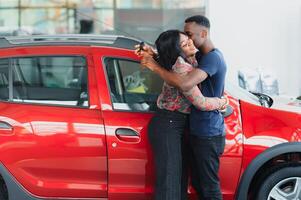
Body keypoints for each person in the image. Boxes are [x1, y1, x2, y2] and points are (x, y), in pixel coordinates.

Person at [137, 15, 227, 200]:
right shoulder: (182, 68)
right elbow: (200, 101)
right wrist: (222, 102)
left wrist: (152, 54)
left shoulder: (197, 58)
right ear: (178, 51)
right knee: (170, 182)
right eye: (185, 42)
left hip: (180, 124)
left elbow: (166, 53)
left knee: (178, 181)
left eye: (189, 38)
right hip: (169, 122)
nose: (190, 43)